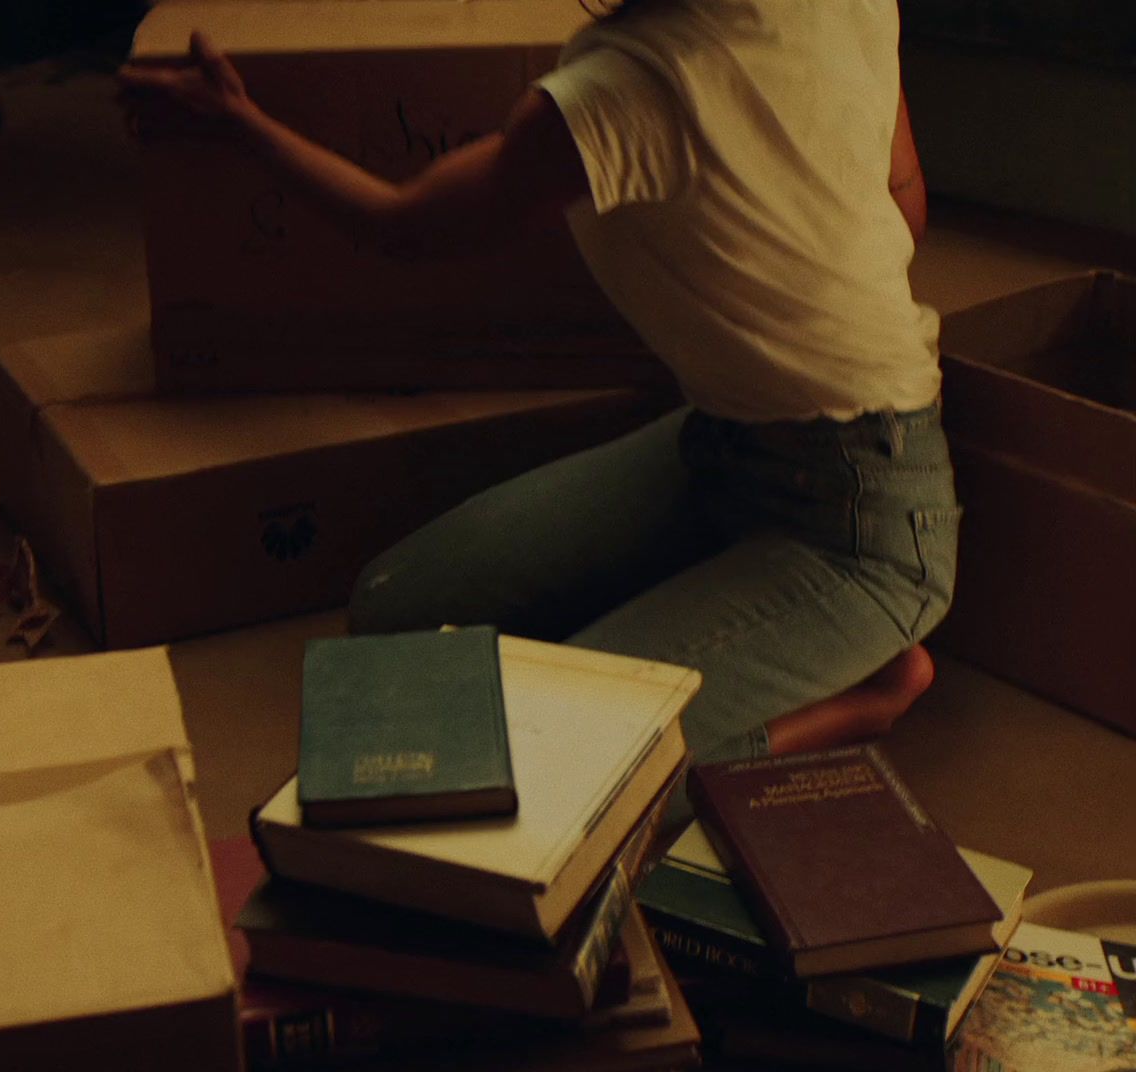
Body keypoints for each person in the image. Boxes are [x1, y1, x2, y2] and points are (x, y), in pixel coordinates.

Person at [117, 0, 955, 777]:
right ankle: (722, 618)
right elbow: (902, 203)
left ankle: (867, 698)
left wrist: (244, 126)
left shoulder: (625, 88)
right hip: (726, 446)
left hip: (863, 518)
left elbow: (404, 227)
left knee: (546, 763)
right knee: (393, 613)